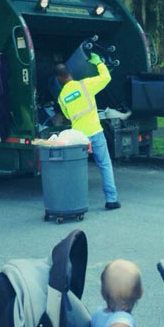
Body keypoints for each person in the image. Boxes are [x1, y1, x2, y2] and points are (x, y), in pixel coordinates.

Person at [54, 53, 121, 210]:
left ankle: (77, 202)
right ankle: (111, 200)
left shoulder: (62, 97)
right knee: (105, 165)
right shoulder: (85, 85)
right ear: (70, 73)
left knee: (77, 168)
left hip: (78, 137)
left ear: (59, 79)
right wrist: (99, 63)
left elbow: (68, 116)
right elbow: (106, 78)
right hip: (95, 132)